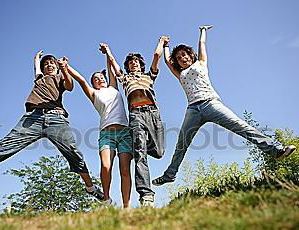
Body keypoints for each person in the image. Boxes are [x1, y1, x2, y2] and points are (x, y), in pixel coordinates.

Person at [0, 50, 105, 202]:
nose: (49, 65)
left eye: (52, 63)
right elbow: (36, 69)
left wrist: (64, 69)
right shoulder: (39, 79)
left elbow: (70, 86)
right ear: (42, 69)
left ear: (56, 67)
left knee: (74, 153)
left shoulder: (59, 78)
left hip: (56, 118)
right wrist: (36, 59)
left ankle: (90, 188)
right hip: (32, 118)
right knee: (3, 147)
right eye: (46, 64)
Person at [152, 26, 297, 186]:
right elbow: (167, 60)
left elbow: (202, 44)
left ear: (190, 55)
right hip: (193, 109)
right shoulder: (180, 74)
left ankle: (276, 150)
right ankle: (170, 175)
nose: (182, 58)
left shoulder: (201, 63)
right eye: (179, 58)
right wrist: (165, 45)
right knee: (182, 142)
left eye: (184, 55)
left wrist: (203, 31)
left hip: (211, 103)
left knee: (240, 126)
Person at [99, 37, 167, 207]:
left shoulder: (149, 76)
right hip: (136, 116)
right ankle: (146, 194)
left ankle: (140, 147)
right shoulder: (125, 79)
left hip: (153, 114)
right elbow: (115, 67)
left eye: (136, 62)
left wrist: (161, 42)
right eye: (130, 63)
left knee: (159, 152)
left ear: (140, 64)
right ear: (127, 67)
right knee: (140, 155)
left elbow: (156, 56)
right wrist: (107, 52)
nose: (133, 64)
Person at [65, 48, 133, 208]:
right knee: (106, 166)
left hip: (124, 132)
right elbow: (81, 80)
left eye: (101, 77)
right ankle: (107, 199)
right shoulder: (94, 94)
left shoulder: (114, 88)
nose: (100, 79)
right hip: (106, 134)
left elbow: (111, 68)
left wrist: (107, 52)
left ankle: (126, 207)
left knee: (124, 170)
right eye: (96, 79)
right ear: (93, 83)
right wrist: (66, 67)